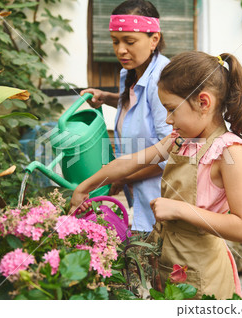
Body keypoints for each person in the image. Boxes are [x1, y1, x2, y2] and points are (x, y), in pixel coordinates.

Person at [71, 51, 242, 299]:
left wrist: (180, 209)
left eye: (171, 109)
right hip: (169, 264)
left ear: (203, 103)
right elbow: (131, 162)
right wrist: (84, 187)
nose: (168, 119)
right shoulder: (180, 140)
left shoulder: (228, 151)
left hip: (204, 276)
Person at [80, 0, 172, 234]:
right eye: (115, 41)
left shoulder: (162, 80)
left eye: (130, 41)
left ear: (154, 39)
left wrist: (122, 176)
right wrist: (106, 97)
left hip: (160, 197)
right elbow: (135, 106)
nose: (120, 50)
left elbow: (170, 152)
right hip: (140, 193)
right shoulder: (131, 73)